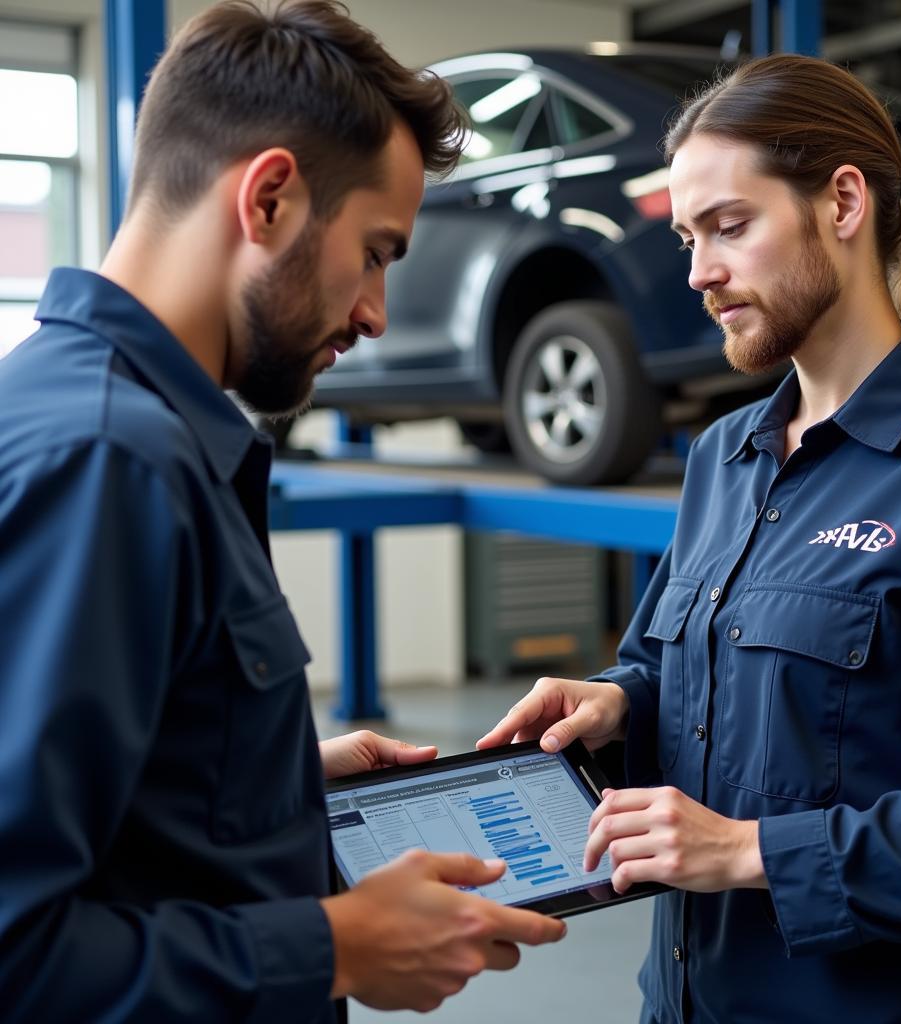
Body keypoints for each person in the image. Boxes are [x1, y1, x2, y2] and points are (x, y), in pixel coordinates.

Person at [0, 2, 565, 1021]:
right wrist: (334, 946)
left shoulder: (115, 425)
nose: (375, 315)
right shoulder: (108, 460)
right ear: (268, 199)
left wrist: (271, 779)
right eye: (377, 251)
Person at [479, 52, 901, 1024]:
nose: (698, 273)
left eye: (730, 226)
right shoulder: (724, 455)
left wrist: (747, 850)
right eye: (688, 237)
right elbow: (675, 672)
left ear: (843, 202)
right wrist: (616, 701)